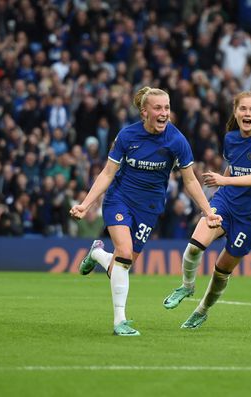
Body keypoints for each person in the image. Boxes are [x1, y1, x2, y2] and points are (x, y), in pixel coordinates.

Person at [70, 87, 221, 336]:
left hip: (149, 209)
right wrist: (86, 204)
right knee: (125, 254)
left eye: (167, 108)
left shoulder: (177, 140)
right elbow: (108, 173)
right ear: (145, 112)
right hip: (119, 200)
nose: (164, 113)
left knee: (122, 264)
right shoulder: (127, 136)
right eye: (158, 108)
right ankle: (120, 321)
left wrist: (208, 211)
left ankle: (97, 254)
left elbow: (191, 181)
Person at [160, 91, 251, 329]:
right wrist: (218, 191)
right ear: (236, 112)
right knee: (195, 246)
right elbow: (232, 168)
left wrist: (224, 181)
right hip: (226, 202)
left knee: (222, 269)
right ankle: (187, 285)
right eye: (243, 109)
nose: (247, 113)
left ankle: (202, 311)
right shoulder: (231, 138)